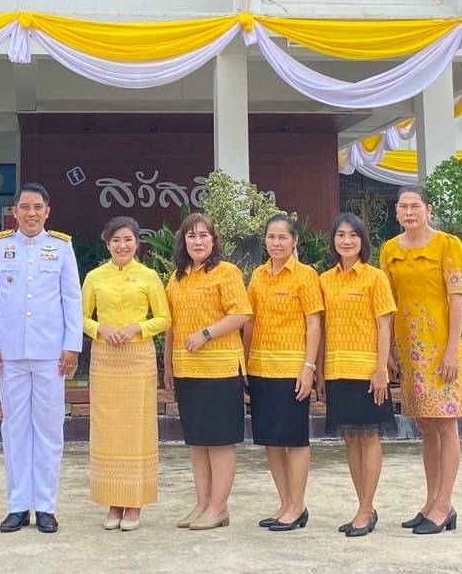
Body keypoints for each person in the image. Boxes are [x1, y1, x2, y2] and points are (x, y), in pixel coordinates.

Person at [0, 183, 82, 534]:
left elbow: (72, 300)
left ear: (47, 211)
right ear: (15, 211)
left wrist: (72, 345)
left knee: (50, 428)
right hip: (9, 354)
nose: (31, 213)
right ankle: (18, 506)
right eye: (24, 206)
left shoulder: (61, 247)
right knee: (14, 429)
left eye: (37, 206)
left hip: (50, 354)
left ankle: (46, 507)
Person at [380, 185, 462, 535]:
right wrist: (386, 351)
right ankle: (431, 501)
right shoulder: (389, 250)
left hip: (440, 350)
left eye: (415, 206)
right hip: (409, 352)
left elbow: (458, 299)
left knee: (445, 424)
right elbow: (386, 304)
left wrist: (452, 349)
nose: (409, 212)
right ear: (397, 212)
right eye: (403, 206)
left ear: (428, 210)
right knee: (425, 426)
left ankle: (444, 505)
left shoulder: (448, 244)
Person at [162, 212, 252, 531]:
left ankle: (219, 506)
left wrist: (206, 333)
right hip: (187, 371)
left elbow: (241, 313)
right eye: (191, 236)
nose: (197, 241)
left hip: (220, 369)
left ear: (213, 240)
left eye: (203, 235)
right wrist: (168, 365)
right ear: (183, 242)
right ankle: (202, 504)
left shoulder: (226, 272)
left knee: (219, 441)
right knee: (197, 441)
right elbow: (170, 324)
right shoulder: (177, 277)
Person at [81, 216, 171, 532]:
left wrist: (138, 327)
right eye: (116, 240)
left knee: (137, 430)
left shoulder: (148, 276)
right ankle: (113, 502)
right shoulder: (94, 277)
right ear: (107, 244)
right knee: (108, 430)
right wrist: (100, 329)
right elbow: (80, 318)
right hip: (105, 358)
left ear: (137, 243)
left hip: (138, 358)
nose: (122, 245)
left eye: (128, 239)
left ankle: (133, 504)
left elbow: (164, 319)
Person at [318, 213, 397, 537]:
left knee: (368, 436)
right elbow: (321, 329)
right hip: (337, 370)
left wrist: (381, 370)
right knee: (350, 437)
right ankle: (363, 506)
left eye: (353, 235)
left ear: (363, 241)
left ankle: (367, 508)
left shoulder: (375, 277)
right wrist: (321, 371)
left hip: (367, 371)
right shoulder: (324, 280)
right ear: (333, 241)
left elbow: (384, 325)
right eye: (340, 235)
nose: (346, 240)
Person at [242, 214, 322, 533]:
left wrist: (309, 367)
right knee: (271, 440)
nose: (276, 243)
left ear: (294, 241)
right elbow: (249, 321)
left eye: (283, 237)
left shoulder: (305, 275)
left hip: (292, 370)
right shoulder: (258, 276)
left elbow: (314, 323)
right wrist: (245, 362)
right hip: (261, 368)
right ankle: (285, 502)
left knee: (294, 438)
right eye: (271, 237)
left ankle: (298, 505)